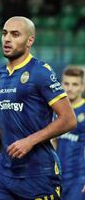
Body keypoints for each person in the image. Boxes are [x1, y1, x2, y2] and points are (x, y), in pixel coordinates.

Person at [0, 16, 77, 200]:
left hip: (39, 173)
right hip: (4, 172)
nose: (7, 39)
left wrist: (30, 141)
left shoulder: (40, 72)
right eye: (4, 33)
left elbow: (68, 119)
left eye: (15, 34)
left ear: (29, 40)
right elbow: (3, 114)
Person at [56, 67, 85, 199]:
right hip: (56, 178)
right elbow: (53, 142)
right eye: (66, 84)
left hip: (78, 179)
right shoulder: (55, 110)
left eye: (75, 84)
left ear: (82, 87)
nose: (70, 88)